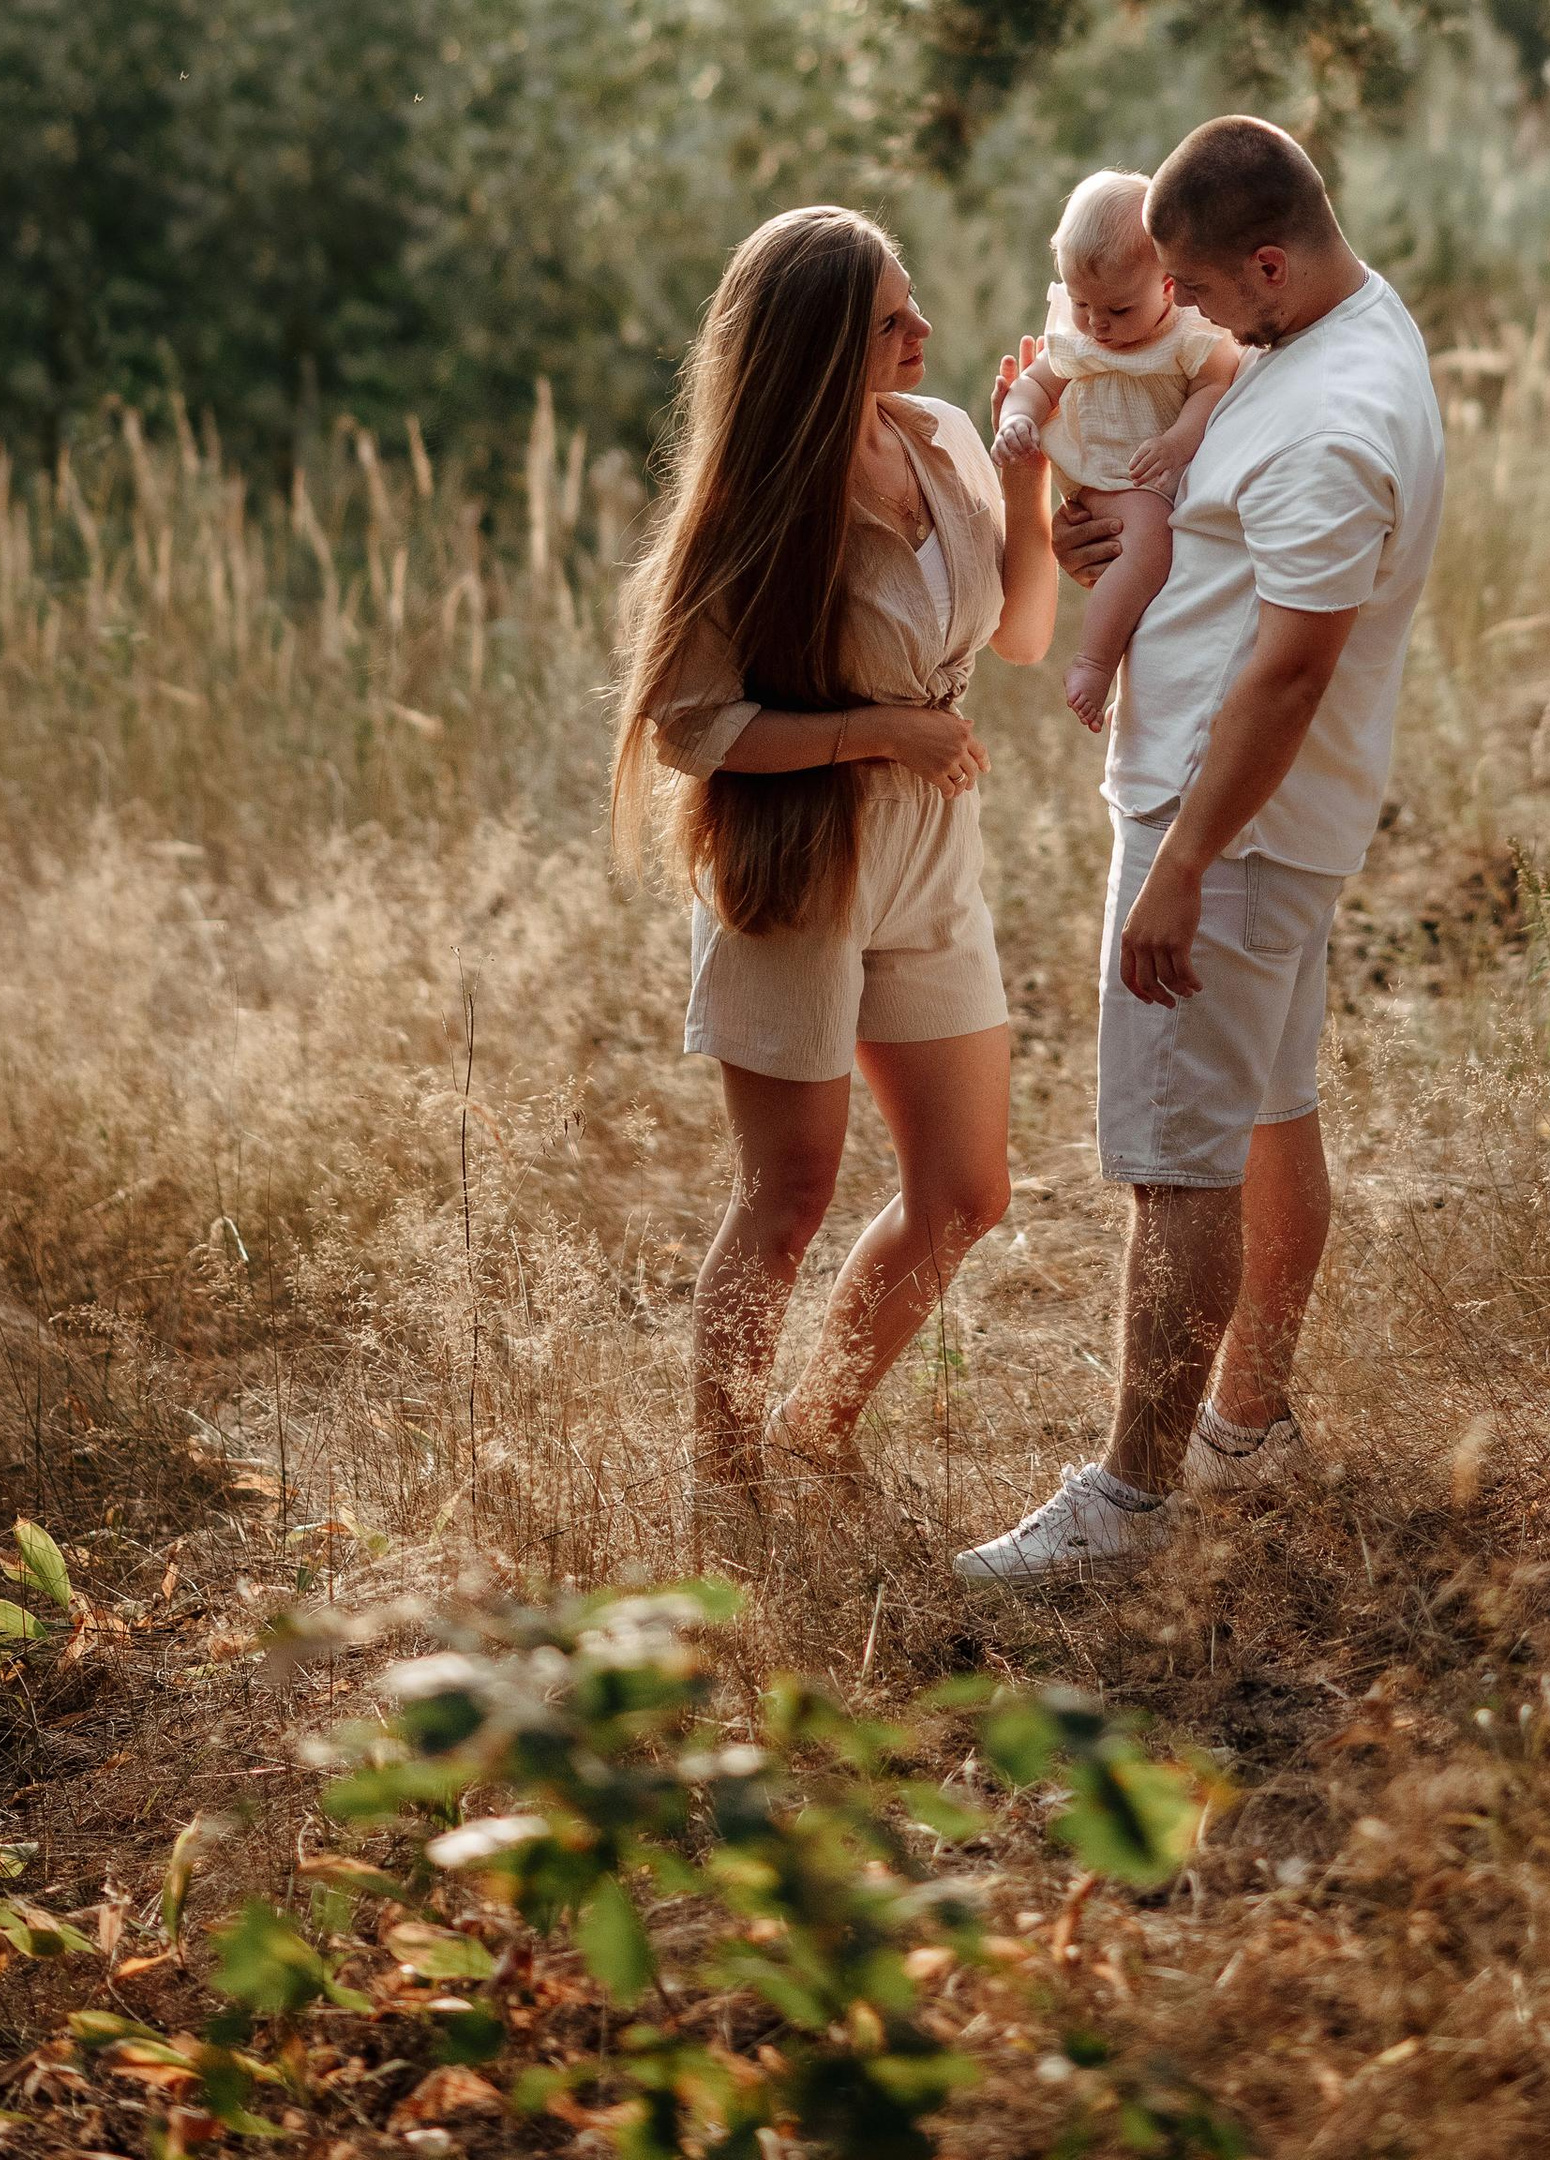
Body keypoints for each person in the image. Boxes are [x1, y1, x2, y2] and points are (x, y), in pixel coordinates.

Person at [954, 117, 1445, 1590]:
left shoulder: (1335, 422)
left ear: (1272, 264)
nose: (1188, 316)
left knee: (1176, 1165)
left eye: (1205, 290)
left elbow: (1286, 675)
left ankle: (1129, 1502)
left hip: (1221, 831)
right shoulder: (1335, 332)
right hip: (1261, 826)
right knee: (1264, 1118)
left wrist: (1179, 870)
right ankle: (1247, 1429)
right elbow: (1213, 533)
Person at [611, 206, 1056, 1512]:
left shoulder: (943, 442)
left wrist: (1029, 488)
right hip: (799, 870)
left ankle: (816, 1426)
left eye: (913, 305)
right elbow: (693, 725)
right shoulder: (749, 513)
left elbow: (1020, 638)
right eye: (890, 323)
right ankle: (725, 1491)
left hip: (934, 857)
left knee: (969, 1190)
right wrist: (879, 730)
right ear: (816, 353)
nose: (924, 332)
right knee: (790, 1193)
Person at [991, 167, 1246, 732]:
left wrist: (1179, 443)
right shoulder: (1076, 336)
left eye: (1118, 310)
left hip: (1148, 469)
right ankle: (1093, 661)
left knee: (1148, 558)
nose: (1098, 326)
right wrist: (1016, 421)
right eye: (1083, 305)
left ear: (1169, 285)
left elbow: (1214, 385)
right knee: (1150, 543)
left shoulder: (1187, 335)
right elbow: (1034, 384)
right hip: (1105, 481)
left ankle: (1117, 663)